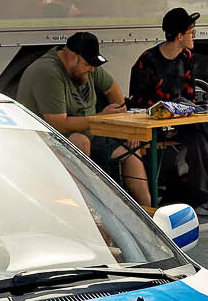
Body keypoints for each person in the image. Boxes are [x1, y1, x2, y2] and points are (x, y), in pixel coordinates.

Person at [15, 31, 152, 208]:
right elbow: (58, 124)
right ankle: (88, 209)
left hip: (89, 132)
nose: (92, 69)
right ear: (73, 57)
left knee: (130, 149)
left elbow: (113, 91)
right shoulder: (48, 72)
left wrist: (125, 125)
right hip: (46, 140)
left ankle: (147, 213)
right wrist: (98, 120)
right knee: (80, 141)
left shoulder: (87, 65)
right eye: (88, 64)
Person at [128, 7, 208, 216]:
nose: (194, 36)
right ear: (179, 36)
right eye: (191, 32)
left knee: (198, 136)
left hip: (179, 122)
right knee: (193, 116)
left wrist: (178, 118)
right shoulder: (147, 60)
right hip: (152, 124)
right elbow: (138, 104)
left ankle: (204, 199)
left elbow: (189, 97)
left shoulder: (186, 56)